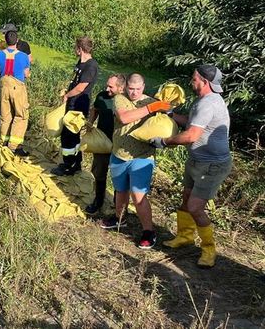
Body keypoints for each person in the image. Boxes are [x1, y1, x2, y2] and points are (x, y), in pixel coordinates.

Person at [150, 65, 231, 268]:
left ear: (205, 82)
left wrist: (164, 142)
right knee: (186, 198)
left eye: (194, 78)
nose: (191, 81)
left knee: (195, 206)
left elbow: (191, 136)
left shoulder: (209, 104)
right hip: (197, 160)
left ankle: (209, 250)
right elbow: (192, 123)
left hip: (212, 165)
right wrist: (170, 113)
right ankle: (185, 236)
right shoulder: (202, 100)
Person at [99, 73, 171, 250]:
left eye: (138, 89)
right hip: (119, 154)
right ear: (126, 88)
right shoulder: (120, 99)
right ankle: (119, 219)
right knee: (120, 190)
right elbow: (124, 118)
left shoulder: (151, 101)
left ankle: (148, 231)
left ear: (143, 87)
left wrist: (172, 112)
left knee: (138, 195)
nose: (134, 92)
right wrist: (151, 108)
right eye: (131, 89)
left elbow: (169, 119)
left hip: (142, 158)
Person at [51, 37, 99, 176]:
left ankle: (69, 165)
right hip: (72, 102)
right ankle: (74, 162)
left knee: (70, 135)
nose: (74, 50)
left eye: (75, 47)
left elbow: (81, 87)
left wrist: (67, 95)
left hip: (79, 104)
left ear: (80, 49)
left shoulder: (91, 66)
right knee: (69, 135)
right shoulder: (81, 63)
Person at [85, 74, 126, 215]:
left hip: (119, 144)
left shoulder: (125, 101)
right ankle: (98, 201)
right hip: (102, 142)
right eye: (107, 85)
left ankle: (118, 205)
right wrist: (90, 123)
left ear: (121, 88)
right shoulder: (102, 96)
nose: (106, 88)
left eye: (111, 86)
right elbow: (95, 109)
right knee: (99, 172)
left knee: (118, 175)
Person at [0, 30, 31, 156]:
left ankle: (4, 140)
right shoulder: (23, 56)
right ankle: (15, 146)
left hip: (4, 86)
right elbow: (26, 74)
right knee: (20, 115)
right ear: (17, 40)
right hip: (17, 86)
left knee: (6, 114)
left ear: (5, 40)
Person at [0, 23, 32, 125]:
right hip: (4, 77)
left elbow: (29, 60)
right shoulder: (3, 44)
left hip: (17, 80)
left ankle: (13, 123)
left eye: (4, 33)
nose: (3, 36)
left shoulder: (24, 45)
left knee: (17, 104)